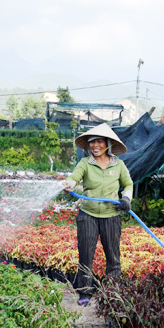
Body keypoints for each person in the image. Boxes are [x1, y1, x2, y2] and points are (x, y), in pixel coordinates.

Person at [61, 124, 133, 306]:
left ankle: (112, 292)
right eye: (92, 142)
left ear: (108, 143)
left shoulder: (119, 165)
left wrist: (126, 198)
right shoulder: (85, 163)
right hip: (88, 215)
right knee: (86, 254)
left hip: (111, 215)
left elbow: (128, 184)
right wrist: (69, 183)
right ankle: (84, 292)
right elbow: (75, 176)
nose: (95, 145)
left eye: (99, 141)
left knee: (113, 256)